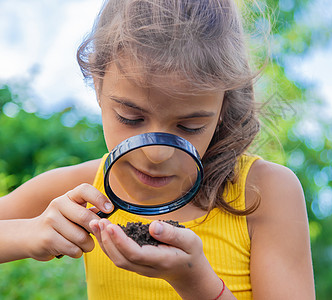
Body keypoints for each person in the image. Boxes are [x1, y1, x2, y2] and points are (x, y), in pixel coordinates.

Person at [0, 0, 315, 299]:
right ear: (98, 85)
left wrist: (196, 284)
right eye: (131, 118)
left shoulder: (264, 192)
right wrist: (27, 234)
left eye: (189, 127)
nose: (156, 154)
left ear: (223, 105)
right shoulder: (83, 188)